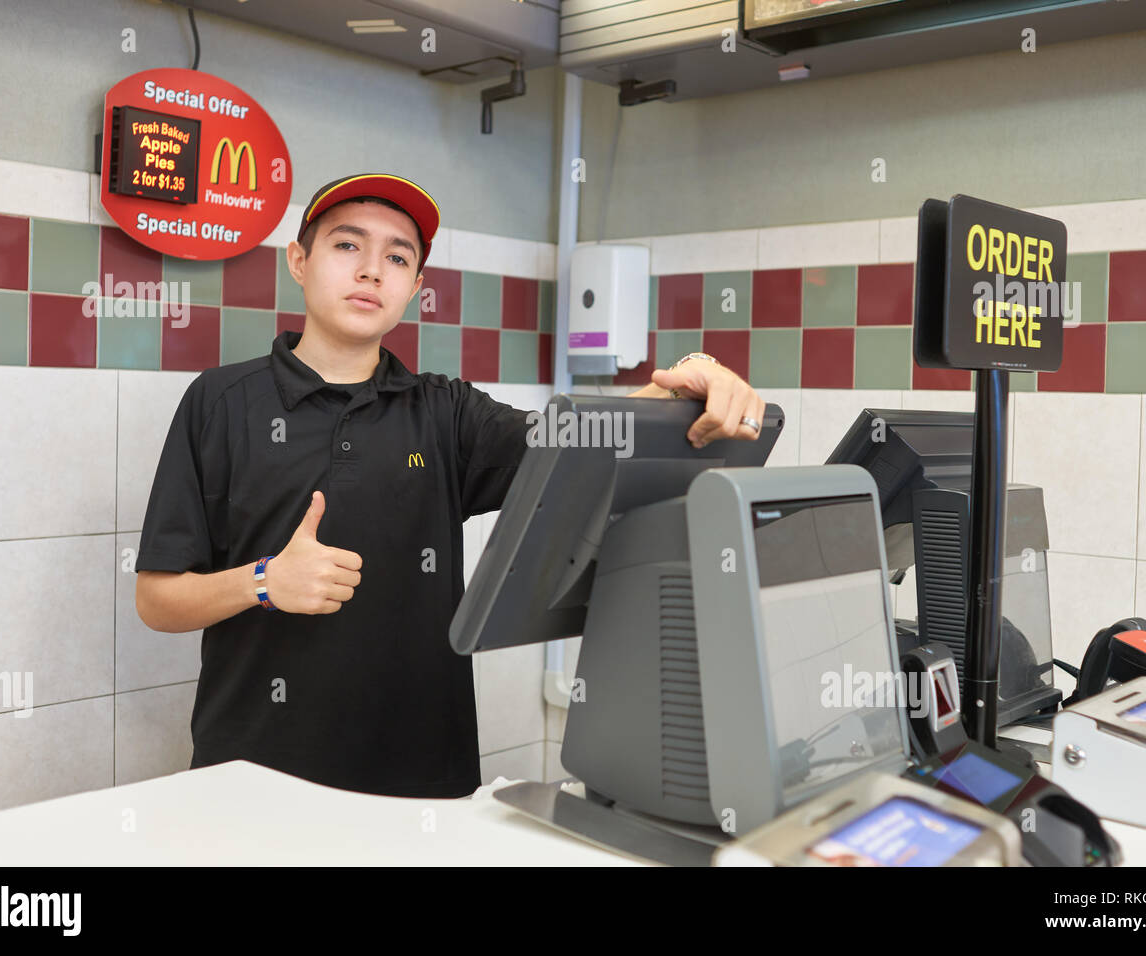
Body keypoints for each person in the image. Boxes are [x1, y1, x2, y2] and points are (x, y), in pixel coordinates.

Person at [134, 173, 765, 798]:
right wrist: (265, 581)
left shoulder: (447, 413)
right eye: (347, 245)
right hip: (254, 776)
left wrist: (691, 374)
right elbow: (157, 600)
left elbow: (591, 439)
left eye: (397, 256)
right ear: (299, 261)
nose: (372, 270)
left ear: (415, 286)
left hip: (421, 781)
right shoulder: (219, 403)